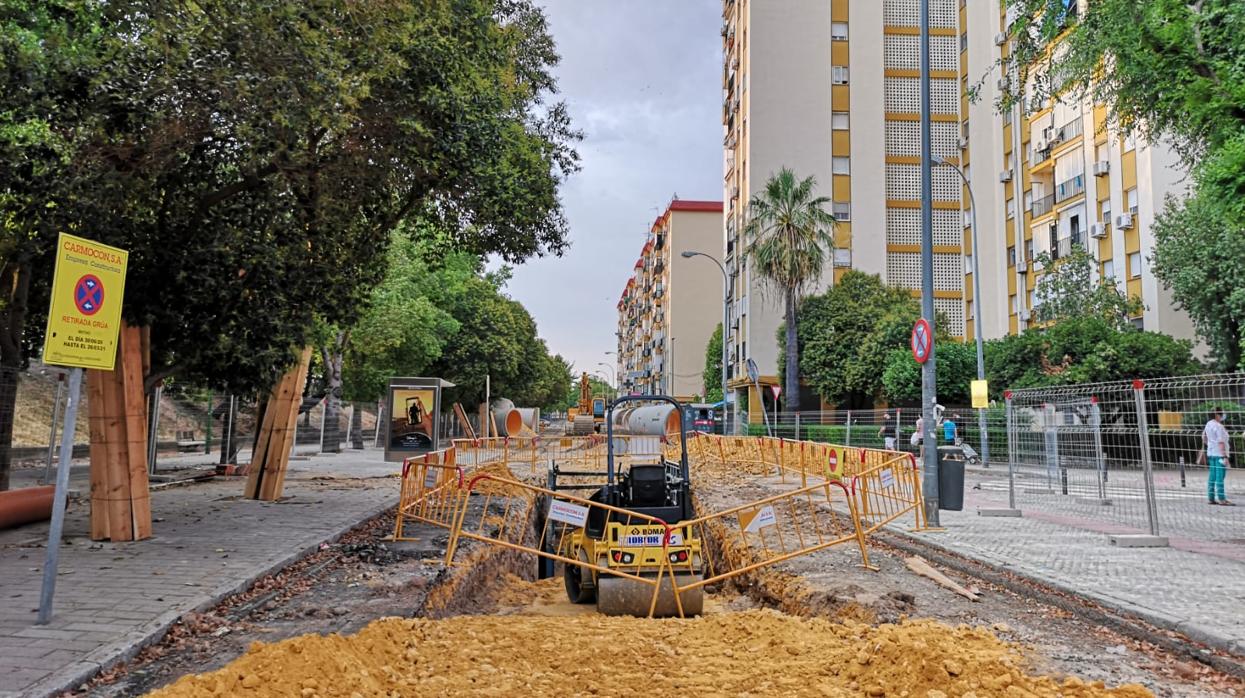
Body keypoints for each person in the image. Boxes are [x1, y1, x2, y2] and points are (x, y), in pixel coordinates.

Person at [1205, 408, 1233, 506]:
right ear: (1217, 415)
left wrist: (1210, 445)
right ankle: (1222, 499)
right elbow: (1221, 442)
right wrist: (1224, 456)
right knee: (1220, 477)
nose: (1222, 416)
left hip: (1211, 453)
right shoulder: (1218, 426)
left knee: (1212, 476)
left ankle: (1211, 498)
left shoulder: (1208, 424)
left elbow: (1204, 437)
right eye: (1221, 414)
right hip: (1220, 455)